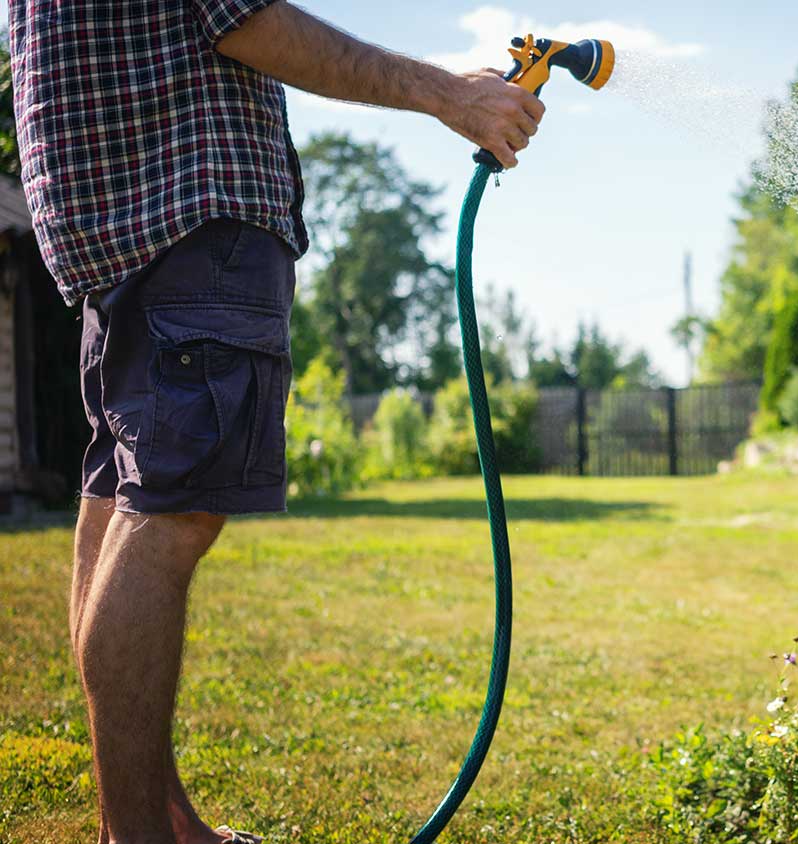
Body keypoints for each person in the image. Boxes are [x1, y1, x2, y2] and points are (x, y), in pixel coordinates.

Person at [8, 2, 544, 842]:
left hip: (110, 217)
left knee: (120, 499)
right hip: (190, 208)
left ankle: (162, 824)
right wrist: (449, 93)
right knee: (169, 514)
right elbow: (238, 16)